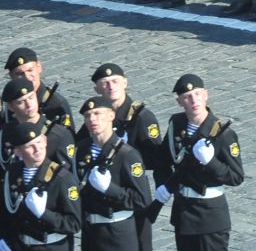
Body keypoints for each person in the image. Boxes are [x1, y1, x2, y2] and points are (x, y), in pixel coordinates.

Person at [154, 74, 242, 251]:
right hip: (183, 212)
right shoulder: (176, 124)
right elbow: (162, 160)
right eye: (187, 96)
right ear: (180, 101)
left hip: (210, 216)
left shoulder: (223, 134)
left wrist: (210, 162)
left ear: (205, 95)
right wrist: (163, 186)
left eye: (197, 94)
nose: (193, 99)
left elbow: (236, 177)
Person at [73, 94, 148, 251]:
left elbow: (141, 199)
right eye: (87, 116)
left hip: (118, 233)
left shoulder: (127, 154)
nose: (92, 119)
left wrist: (110, 189)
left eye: (97, 113)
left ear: (111, 116)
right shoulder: (80, 150)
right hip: (90, 233)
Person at [2, 117, 81, 250]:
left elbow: (73, 224)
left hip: (52, 246)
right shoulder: (12, 174)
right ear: (18, 152)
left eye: (39, 142)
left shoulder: (61, 177)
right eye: (30, 146)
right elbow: (5, 213)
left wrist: (44, 214)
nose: (37, 149)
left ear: (45, 141)